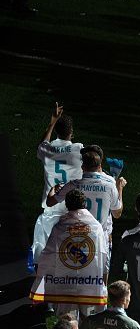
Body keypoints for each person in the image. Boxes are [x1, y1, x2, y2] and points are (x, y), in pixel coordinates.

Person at [30, 189, 108, 318]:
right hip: (89, 283)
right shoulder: (96, 227)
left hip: (64, 283)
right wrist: (102, 281)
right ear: (85, 204)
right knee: (89, 322)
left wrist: (41, 279)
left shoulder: (59, 227)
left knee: (66, 323)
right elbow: (102, 255)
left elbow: (48, 255)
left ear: (66, 205)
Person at [32, 103, 83, 262]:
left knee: (44, 261)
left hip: (50, 211)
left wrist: (52, 121)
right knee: (69, 260)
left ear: (56, 131)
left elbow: (42, 145)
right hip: (71, 212)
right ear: (71, 132)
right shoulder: (78, 149)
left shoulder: (47, 150)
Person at [46, 148, 127, 249]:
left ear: (82, 166)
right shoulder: (110, 185)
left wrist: (53, 188)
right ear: (100, 166)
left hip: (76, 239)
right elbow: (117, 214)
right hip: (99, 240)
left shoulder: (73, 184)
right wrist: (120, 188)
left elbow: (50, 202)